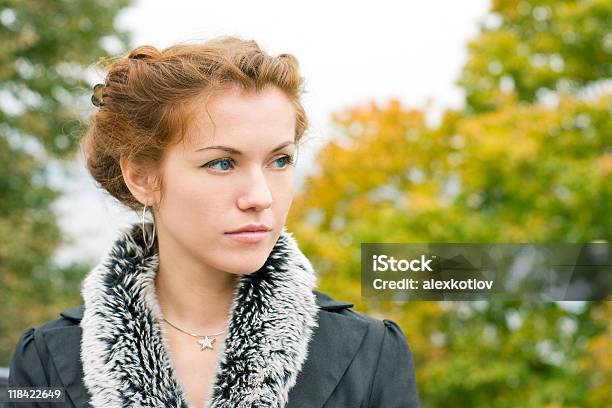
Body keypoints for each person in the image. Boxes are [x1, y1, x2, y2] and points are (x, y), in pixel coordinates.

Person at [8, 37, 420, 408]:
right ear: (142, 176)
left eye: (281, 160)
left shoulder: (369, 352)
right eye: (222, 163)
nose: (260, 197)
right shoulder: (46, 362)